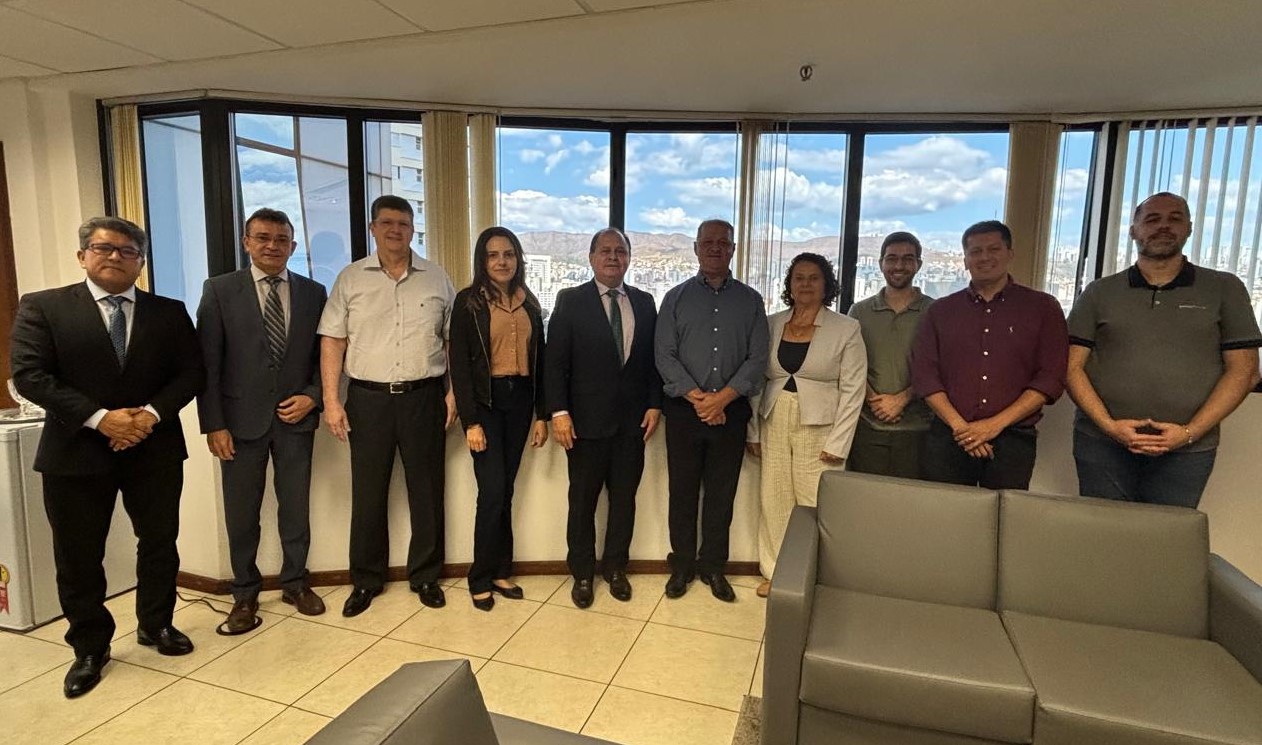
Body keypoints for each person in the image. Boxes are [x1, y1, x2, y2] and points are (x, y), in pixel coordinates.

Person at [10, 217, 204, 698]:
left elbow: (191, 373)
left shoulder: (169, 311)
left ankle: (156, 624)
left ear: (141, 261)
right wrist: (101, 419)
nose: (115, 256)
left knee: (159, 542)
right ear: (83, 256)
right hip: (75, 451)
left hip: (153, 447)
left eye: (127, 250)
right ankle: (90, 648)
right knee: (78, 555)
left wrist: (148, 417)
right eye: (103, 248)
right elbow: (30, 375)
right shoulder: (44, 307)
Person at [1066, 192, 1262, 507]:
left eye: (1175, 218)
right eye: (1152, 219)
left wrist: (1189, 432)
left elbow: (1245, 371)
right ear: (1134, 230)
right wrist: (1109, 426)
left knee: (1170, 532)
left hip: (1188, 449)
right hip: (1102, 442)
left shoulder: (1225, 288)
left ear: (1189, 228)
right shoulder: (1099, 292)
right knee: (1102, 529)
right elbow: (1070, 366)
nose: (1163, 226)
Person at [318, 195, 456, 617]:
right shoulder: (350, 279)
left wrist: (454, 393)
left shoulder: (436, 278)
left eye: (404, 224)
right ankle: (366, 580)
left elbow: (452, 340)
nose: (396, 230)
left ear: (413, 230)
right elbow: (333, 340)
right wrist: (331, 400)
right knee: (368, 493)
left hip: (424, 397)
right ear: (373, 228)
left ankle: (426, 576)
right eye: (387, 223)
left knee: (427, 492)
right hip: (368, 400)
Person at [196, 208, 328, 634]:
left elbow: (323, 359)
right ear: (247, 242)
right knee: (242, 513)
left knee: (296, 508)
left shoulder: (313, 293)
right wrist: (214, 424)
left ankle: (295, 583)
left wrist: (313, 398)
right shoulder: (220, 290)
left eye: (281, 239)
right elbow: (207, 364)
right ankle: (244, 593)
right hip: (238, 423)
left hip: (295, 420)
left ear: (293, 245)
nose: (273, 246)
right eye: (263, 238)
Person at [546, 228, 662, 608]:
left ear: (629, 258)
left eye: (620, 251)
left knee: (624, 501)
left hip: (631, 425)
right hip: (584, 425)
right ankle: (582, 573)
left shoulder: (645, 302)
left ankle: (615, 568)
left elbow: (652, 362)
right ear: (591, 257)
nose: (613, 257)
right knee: (582, 503)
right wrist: (559, 412)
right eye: (606, 251)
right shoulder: (571, 301)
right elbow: (555, 363)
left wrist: (654, 404)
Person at [656, 219, 768, 602]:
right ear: (696, 248)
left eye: (723, 242)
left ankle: (714, 568)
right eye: (708, 242)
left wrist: (722, 399)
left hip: (731, 413)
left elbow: (757, 358)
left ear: (733, 249)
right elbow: (664, 355)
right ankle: (682, 567)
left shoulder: (751, 301)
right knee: (682, 493)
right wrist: (700, 399)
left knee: (722, 495)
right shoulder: (675, 299)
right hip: (684, 413)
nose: (716, 248)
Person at [911, 220, 1068, 489]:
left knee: (1005, 512)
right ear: (965, 260)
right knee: (944, 511)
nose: (984, 257)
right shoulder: (940, 311)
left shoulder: (1043, 308)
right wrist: (962, 429)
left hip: (1012, 438)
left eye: (993, 249)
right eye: (975, 251)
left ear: (1010, 254)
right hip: (949, 436)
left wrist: (993, 426)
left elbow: (1050, 378)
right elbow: (925, 375)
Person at [746, 253, 865, 598]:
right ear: (789, 284)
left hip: (821, 427)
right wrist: (753, 431)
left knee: (815, 503)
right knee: (775, 500)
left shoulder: (846, 328)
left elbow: (854, 389)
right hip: (773, 419)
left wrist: (839, 443)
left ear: (826, 284)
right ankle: (777, 573)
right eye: (799, 278)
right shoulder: (771, 324)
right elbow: (757, 381)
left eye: (814, 278)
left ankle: (815, 577)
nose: (806, 284)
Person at [449, 227, 548, 611]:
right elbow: (459, 365)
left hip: (520, 402)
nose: (502, 261)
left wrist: (541, 415)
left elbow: (541, 361)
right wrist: (470, 422)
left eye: (509, 254)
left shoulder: (530, 302)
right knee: (491, 492)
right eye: (493, 255)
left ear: (518, 258)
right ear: (482, 261)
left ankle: (501, 570)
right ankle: (479, 576)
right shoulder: (468, 302)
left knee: (505, 490)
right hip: (485, 406)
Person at [847, 232, 935, 477]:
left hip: (919, 429)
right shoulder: (859, 312)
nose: (899, 266)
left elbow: (940, 368)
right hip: (867, 427)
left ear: (918, 264)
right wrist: (874, 400)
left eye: (907, 259)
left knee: (910, 497)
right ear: (881, 264)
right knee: (866, 495)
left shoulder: (935, 312)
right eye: (892, 258)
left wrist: (902, 399)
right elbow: (849, 364)